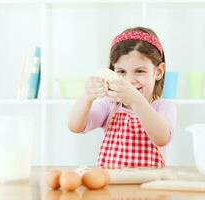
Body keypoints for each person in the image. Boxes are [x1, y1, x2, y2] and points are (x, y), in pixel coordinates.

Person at [68, 27, 176, 169]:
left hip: (149, 186)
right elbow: (75, 126)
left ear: (158, 72)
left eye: (140, 71)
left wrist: (136, 100)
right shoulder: (109, 105)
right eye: (121, 72)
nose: (129, 80)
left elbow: (161, 138)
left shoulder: (163, 107)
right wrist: (87, 97)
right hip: (111, 186)